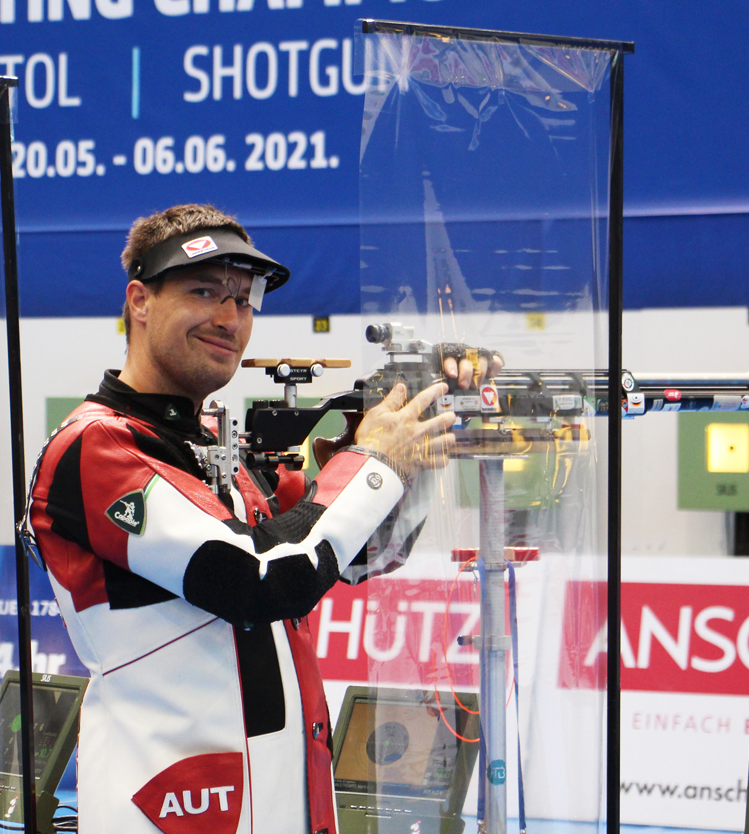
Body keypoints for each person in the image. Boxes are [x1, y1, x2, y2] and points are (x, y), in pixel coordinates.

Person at [27, 205, 494, 834]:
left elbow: (355, 556)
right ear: (139, 301)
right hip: (169, 811)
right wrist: (375, 461)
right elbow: (264, 579)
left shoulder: (217, 452)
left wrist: (419, 432)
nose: (229, 318)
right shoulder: (96, 448)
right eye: (204, 292)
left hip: (279, 804)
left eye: (244, 301)